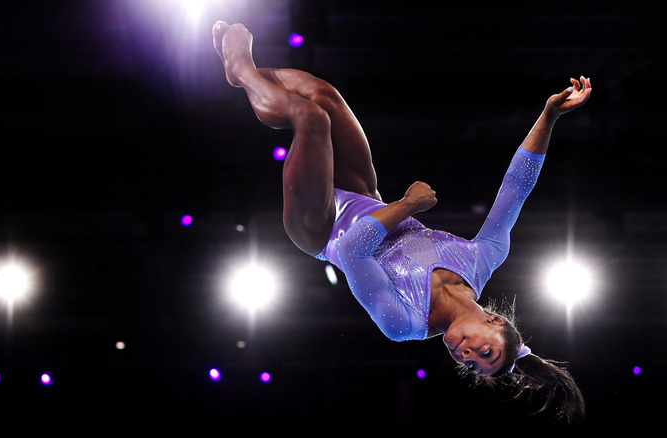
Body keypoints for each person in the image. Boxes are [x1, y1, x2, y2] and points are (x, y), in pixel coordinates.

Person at [213, 21, 591, 424]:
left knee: (310, 118)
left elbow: (353, 249)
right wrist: (549, 116)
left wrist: (409, 204)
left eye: (472, 365)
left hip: (322, 228)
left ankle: (241, 69)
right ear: (496, 322)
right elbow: (516, 187)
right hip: (364, 197)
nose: (467, 355)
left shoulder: (406, 323)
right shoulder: (484, 258)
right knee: (325, 96)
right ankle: (248, 80)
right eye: (486, 351)